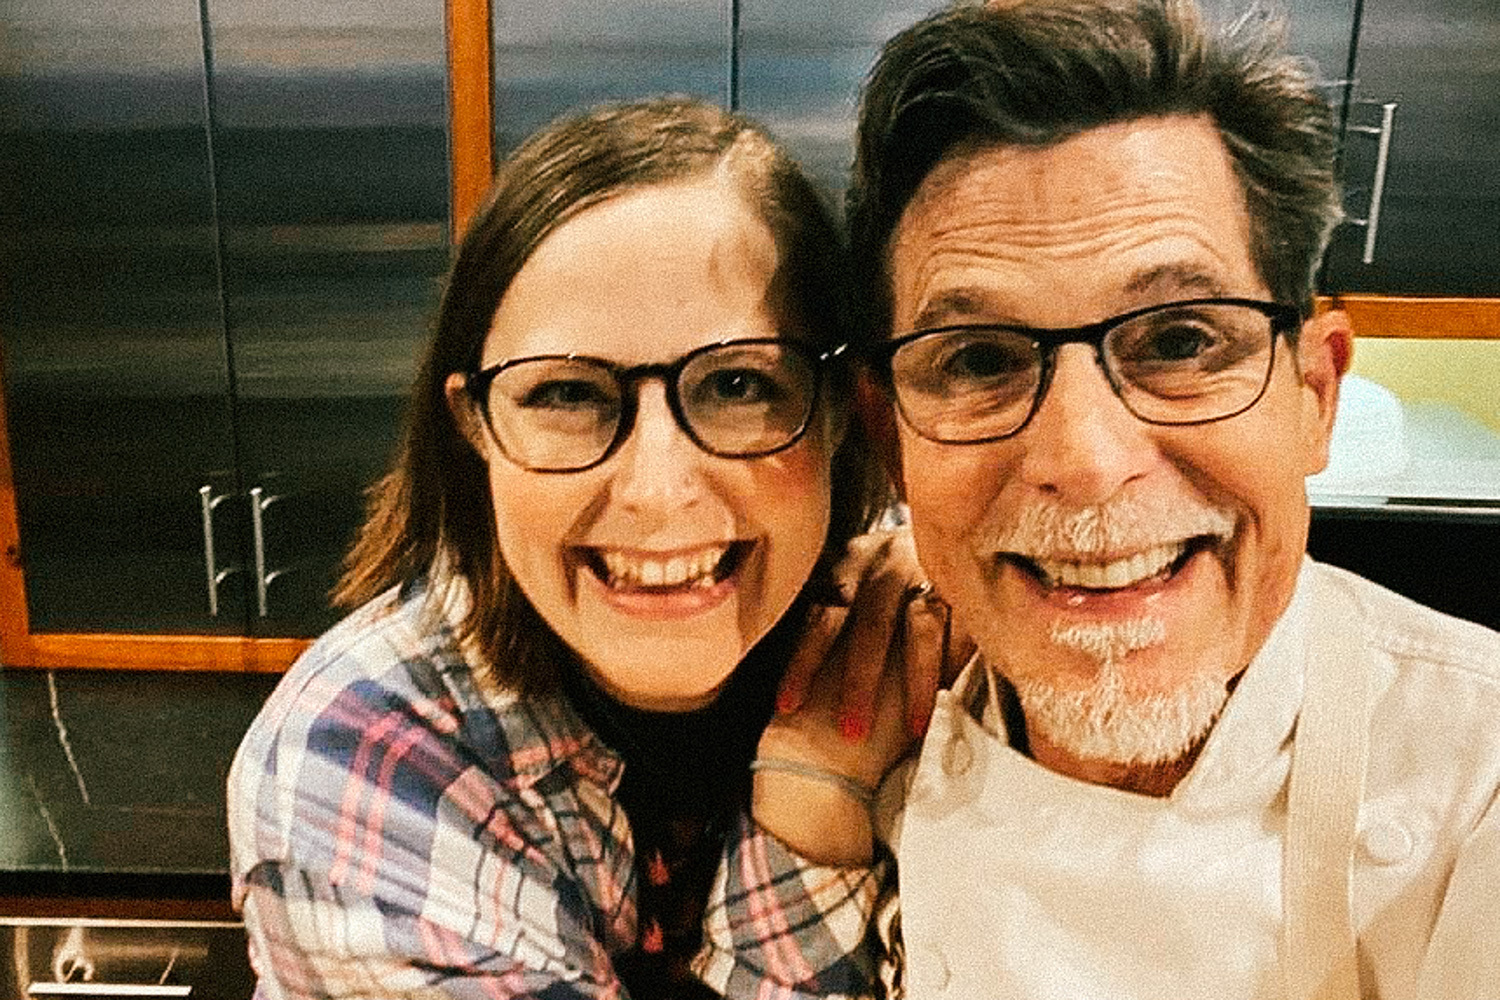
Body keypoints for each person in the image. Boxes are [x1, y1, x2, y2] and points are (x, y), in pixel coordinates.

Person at [702, 1, 1500, 997]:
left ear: (1313, 396)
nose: (1084, 459)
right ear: (891, 441)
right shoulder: (856, 718)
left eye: (1179, 341)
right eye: (982, 359)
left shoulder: (1478, 789)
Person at [227, 96, 900, 999]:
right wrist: (809, 826)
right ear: (473, 424)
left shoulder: (928, 647)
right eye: (567, 395)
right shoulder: (366, 751)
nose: (659, 493)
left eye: (740, 384)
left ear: (840, 416)